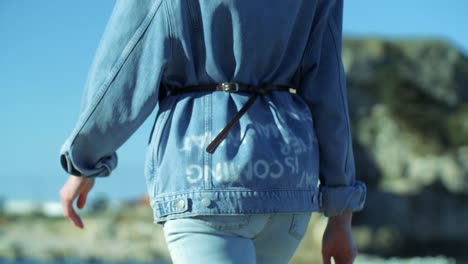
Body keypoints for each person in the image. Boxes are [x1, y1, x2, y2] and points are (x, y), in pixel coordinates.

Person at [59, 0, 366, 263]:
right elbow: (328, 87)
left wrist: (85, 160)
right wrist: (341, 213)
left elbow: (124, 67)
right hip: (288, 179)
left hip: (204, 176)